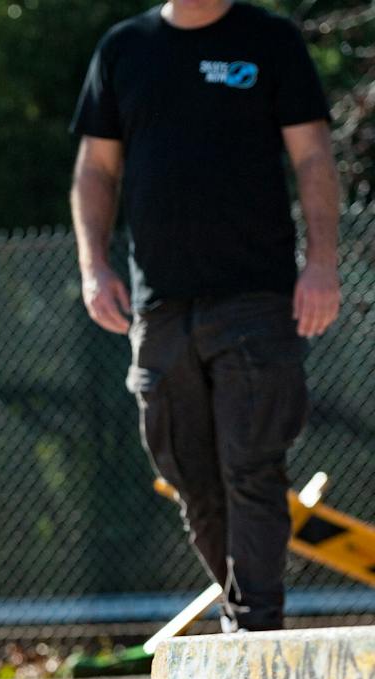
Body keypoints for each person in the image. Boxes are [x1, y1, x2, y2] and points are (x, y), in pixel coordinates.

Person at [69, 0, 341, 632]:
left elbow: (312, 156)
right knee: (189, 478)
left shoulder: (269, 39)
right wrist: (93, 266)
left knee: (251, 466)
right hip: (158, 304)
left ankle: (253, 629)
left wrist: (321, 264)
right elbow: (96, 168)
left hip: (256, 298)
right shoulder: (122, 49)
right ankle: (239, 610)